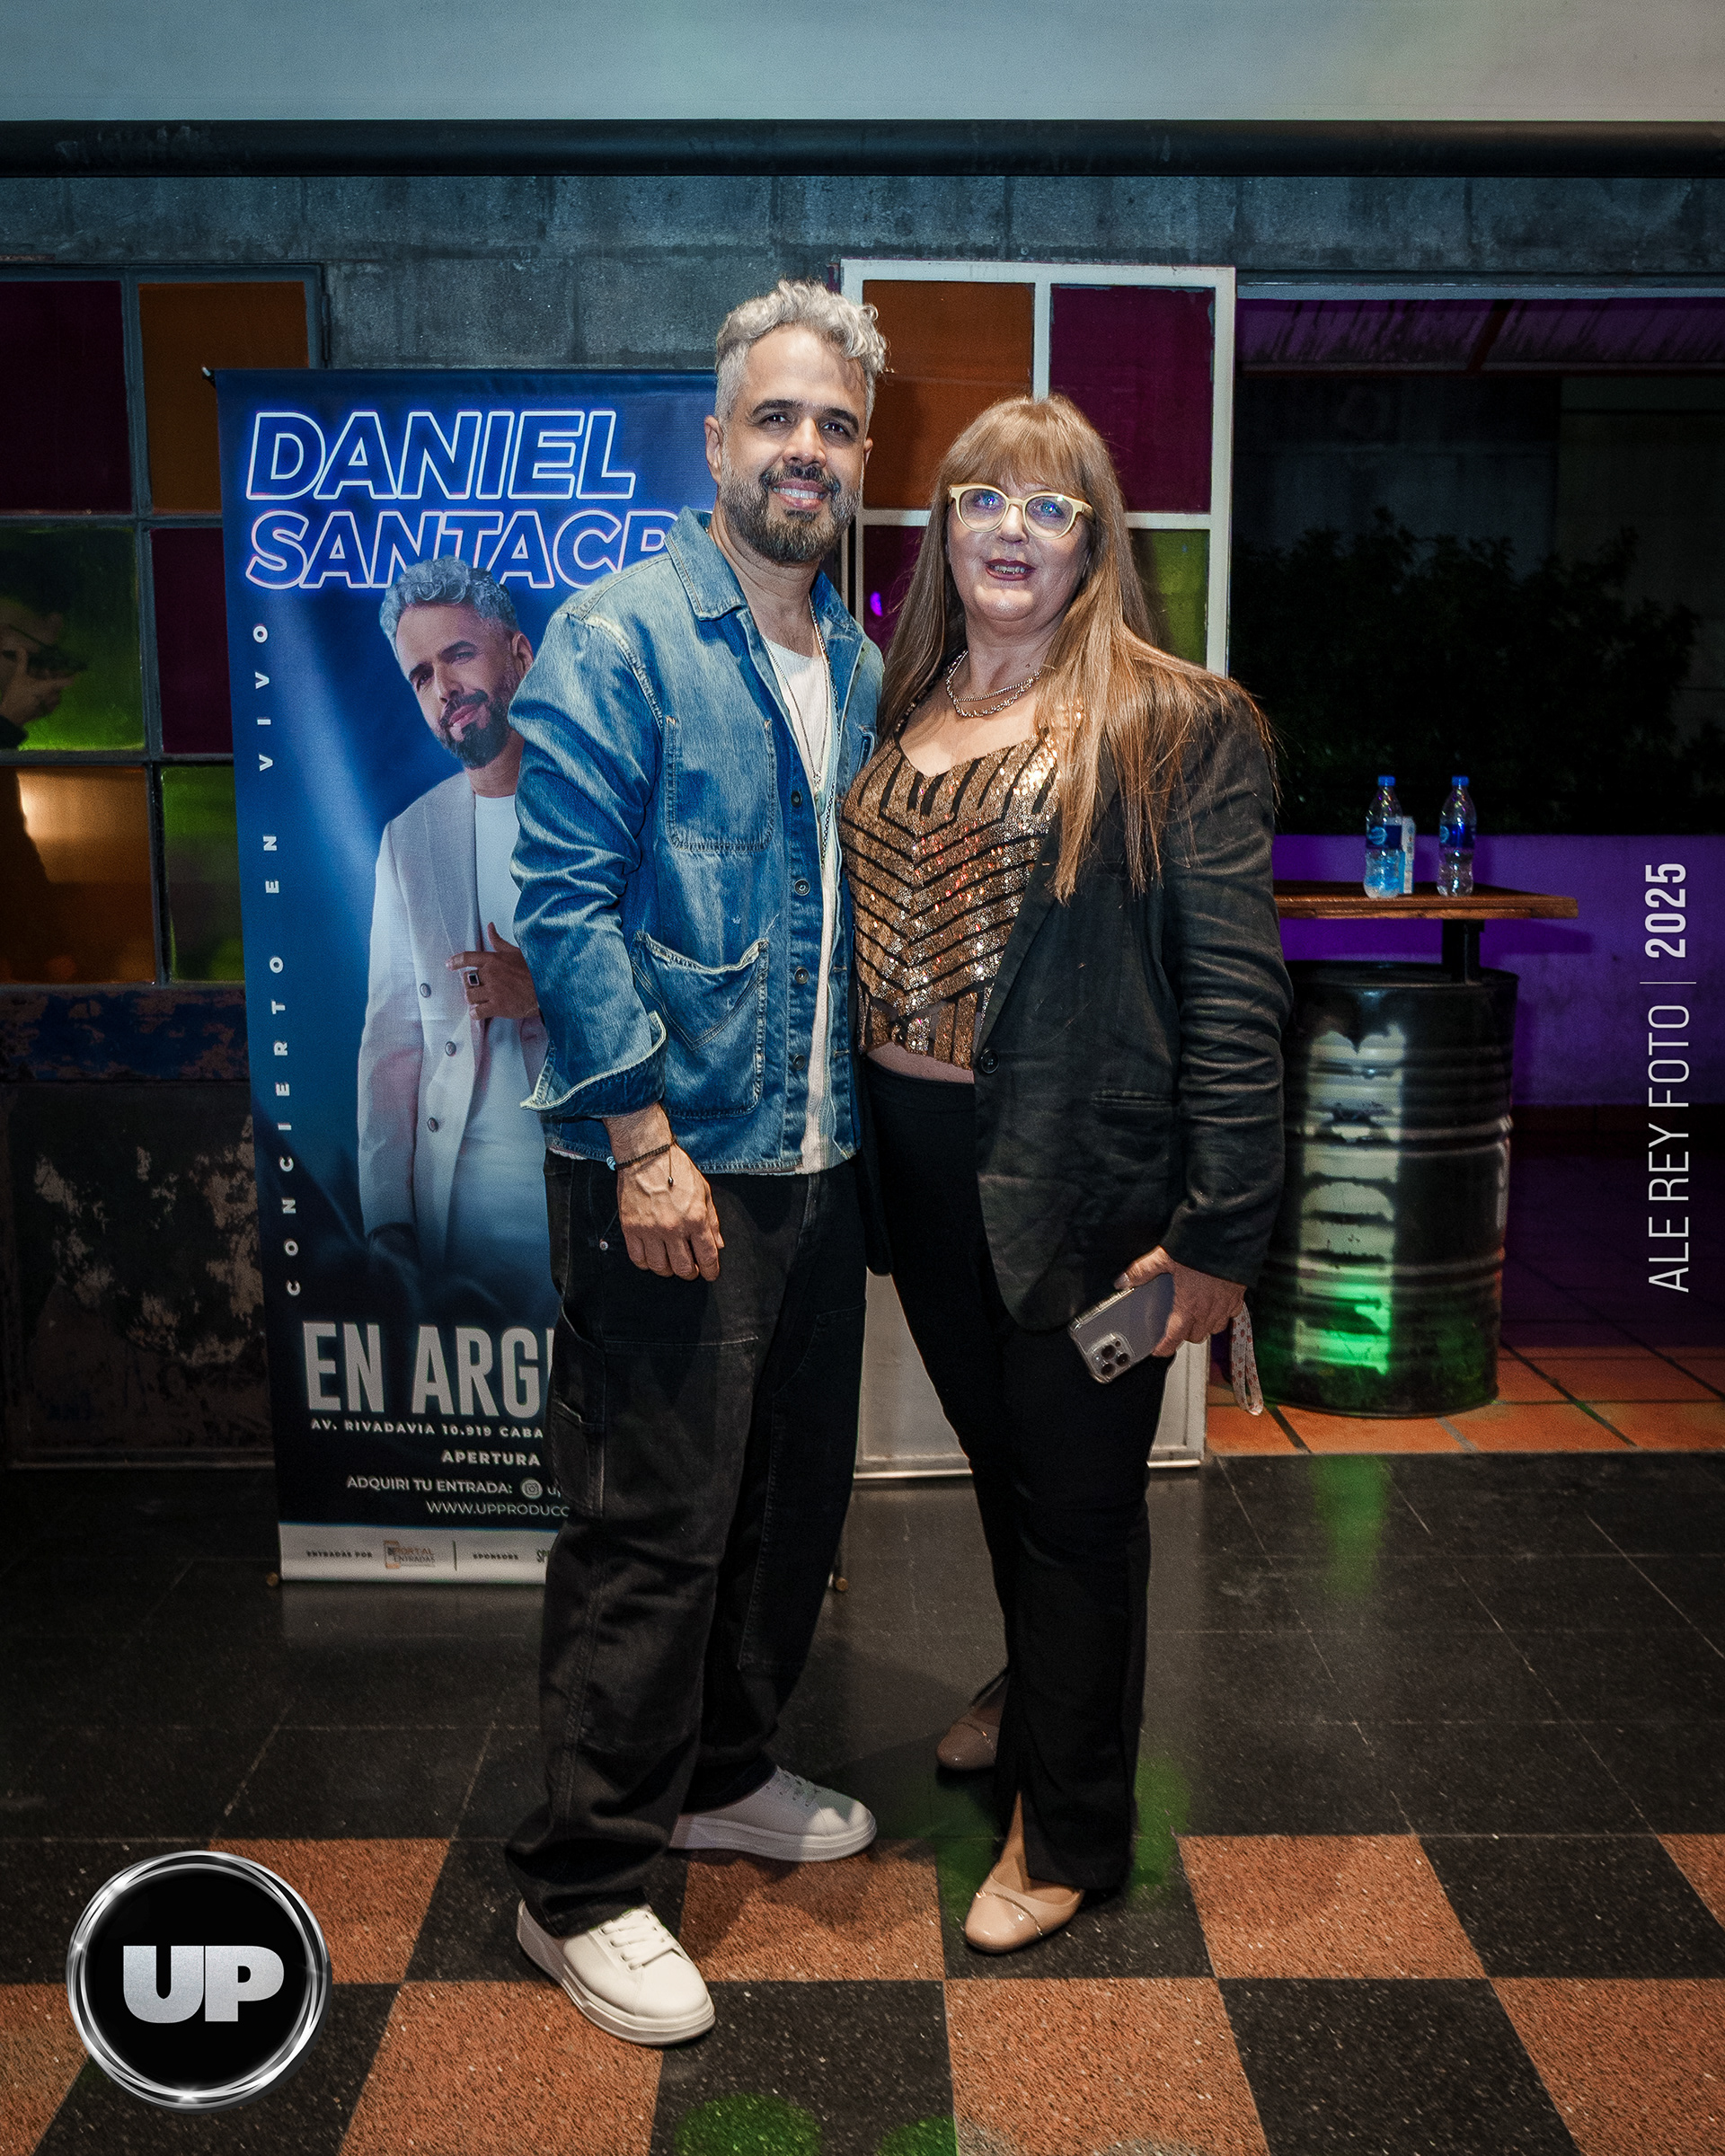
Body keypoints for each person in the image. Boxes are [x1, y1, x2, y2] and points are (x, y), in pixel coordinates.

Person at [840, 394, 1290, 1953]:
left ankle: (1075, 1829)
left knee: (1081, 1506)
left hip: (1097, 1196)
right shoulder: (904, 705)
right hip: (919, 1175)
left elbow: (1237, 1000)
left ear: (1096, 545)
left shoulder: (1176, 723)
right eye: (984, 499)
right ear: (945, 528)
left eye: (1051, 506)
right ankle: (1038, 1692)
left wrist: (1219, 1239)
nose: (1012, 530)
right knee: (1005, 1461)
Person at [503, 281, 889, 2046]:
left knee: (788, 1511)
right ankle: (581, 1883)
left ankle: (721, 1773)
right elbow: (563, 905)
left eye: (838, 426)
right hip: (672, 1163)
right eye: (779, 418)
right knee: (650, 1532)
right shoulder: (622, 634)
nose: (808, 449)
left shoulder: (859, 662)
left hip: (817, 1163)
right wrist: (644, 1140)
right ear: (719, 439)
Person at [359, 560, 553, 1322]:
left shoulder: (603, 803)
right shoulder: (409, 838)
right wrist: (388, 1222)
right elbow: (391, 1039)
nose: (443, 688)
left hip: (588, 1201)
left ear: (519, 655)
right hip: (455, 1223)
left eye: (459, 655)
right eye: (420, 676)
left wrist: (543, 996)